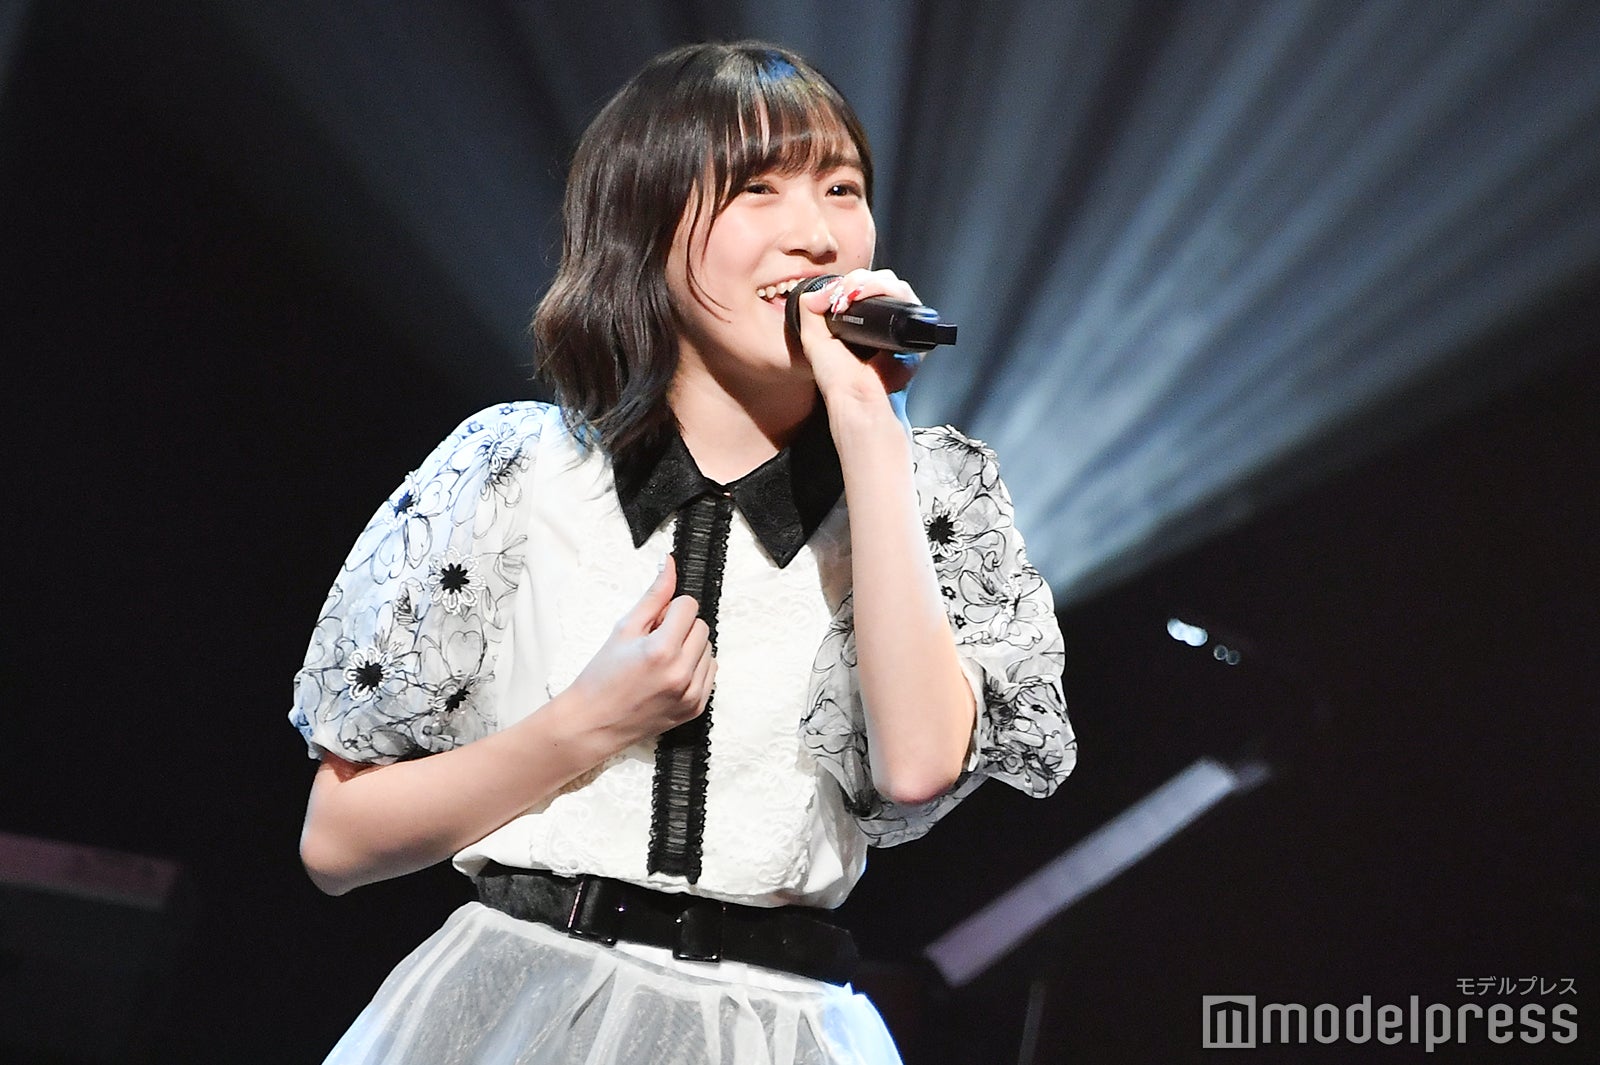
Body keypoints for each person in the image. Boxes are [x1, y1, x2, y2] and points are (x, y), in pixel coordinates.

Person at [290, 40, 1076, 1065]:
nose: (815, 234)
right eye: (758, 189)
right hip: (520, 1011)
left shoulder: (924, 490)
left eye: (841, 189)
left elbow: (920, 763)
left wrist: (868, 431)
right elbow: (337, 843)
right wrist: (586, 722)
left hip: (779, 1031)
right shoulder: (515, 470)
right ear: (646, 223)